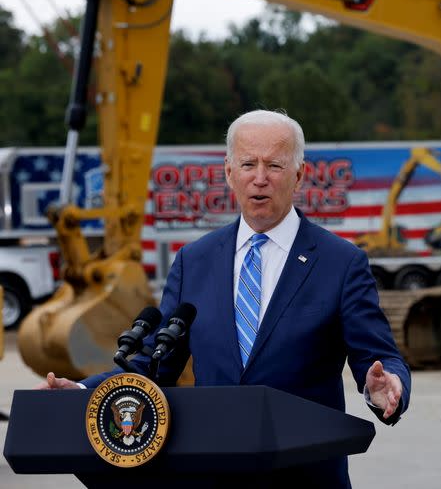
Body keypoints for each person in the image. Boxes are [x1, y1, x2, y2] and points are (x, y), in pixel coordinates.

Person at [39, 109, 411, 487]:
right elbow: (155, 362)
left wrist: (385, 386)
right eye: (248, 163)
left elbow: (378, 357)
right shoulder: (194, 261)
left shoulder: (341, 263)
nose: (260, 178)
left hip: (307, 474)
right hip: (212, 472)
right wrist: (84, 392)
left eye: (275, 165)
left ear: (299, 175)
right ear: (229, 174)